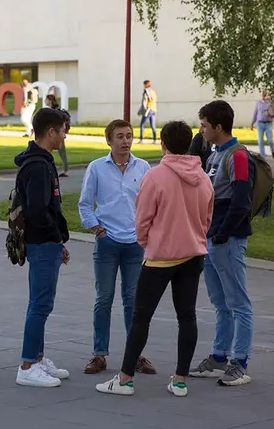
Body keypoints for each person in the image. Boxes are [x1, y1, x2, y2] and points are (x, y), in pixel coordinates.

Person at [96, 121, 214, 397]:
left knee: (141, 317)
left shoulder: (156, 175)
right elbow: (207, 218)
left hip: (161, 257)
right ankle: (180, 379)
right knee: (187, 316)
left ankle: (125, 379)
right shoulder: (203, 178)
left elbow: (142, 218)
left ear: (163, 143)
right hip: (193, 254)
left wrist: (149, 242)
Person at [78, 119, 157, 376]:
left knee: (133, 301)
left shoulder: (143, 167)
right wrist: (96, 228)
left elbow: (151, 204)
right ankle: (99, 354)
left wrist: (146, 232)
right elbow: (85, 203)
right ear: (109, 140)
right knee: (104, 298)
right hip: (108, 242)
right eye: (120, 136)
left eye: (129, 136)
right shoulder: (97, 168)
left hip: (135, 243)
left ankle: (134, 355)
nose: (125, 141)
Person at [190, 100, 255, 386]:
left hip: (226, 239)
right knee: (220, 303)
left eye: (204, 125)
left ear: (218, 127)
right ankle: (219, 356)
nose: (200, 130)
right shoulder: (215, 153)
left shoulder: (238, 156)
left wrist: (222, 234)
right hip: (212, 238)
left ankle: (239, 361)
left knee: (238, 302)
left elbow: (241, 202)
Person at [14, 107, 71, 388]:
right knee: (40, 304)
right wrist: (56, 236)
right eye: (62, 131)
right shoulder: (38, 166)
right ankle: (27, 365)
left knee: (39, 302)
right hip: (42, 240)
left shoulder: (39, 161)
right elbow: (39, 210)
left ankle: (36, 357)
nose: (63, 137)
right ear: (51, 131)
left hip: (42, 241)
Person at [45, 94, 71, 177]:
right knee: (60, 152)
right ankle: (64, 169)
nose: (45, 101)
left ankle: (65, 170)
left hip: (57, 134)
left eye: (46, 99)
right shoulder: (53, 110)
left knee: (62, 152)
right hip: (55, 133)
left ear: (50, 100)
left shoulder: (53, 111)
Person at [250, 90, 274, 159]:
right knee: (260, 140)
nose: (267, 96)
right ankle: (263, 156)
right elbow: (255, 113)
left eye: (268, 95)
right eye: (266, 95)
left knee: (270, 140)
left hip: (268, 123)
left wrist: (273, 115)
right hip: (260, 123)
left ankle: (272, 151)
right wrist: (252, 123)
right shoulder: (259, 103)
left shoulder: (272, 103)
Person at [138, 80, 158, 144]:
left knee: (142, 124)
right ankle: (155, 139)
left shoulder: (147, 91)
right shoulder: (153, 92)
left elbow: (145, 101)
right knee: (152, 125)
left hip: (148, 110)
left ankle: (141, 139)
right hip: (153, 109)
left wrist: (141, 110)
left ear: (146, 85)